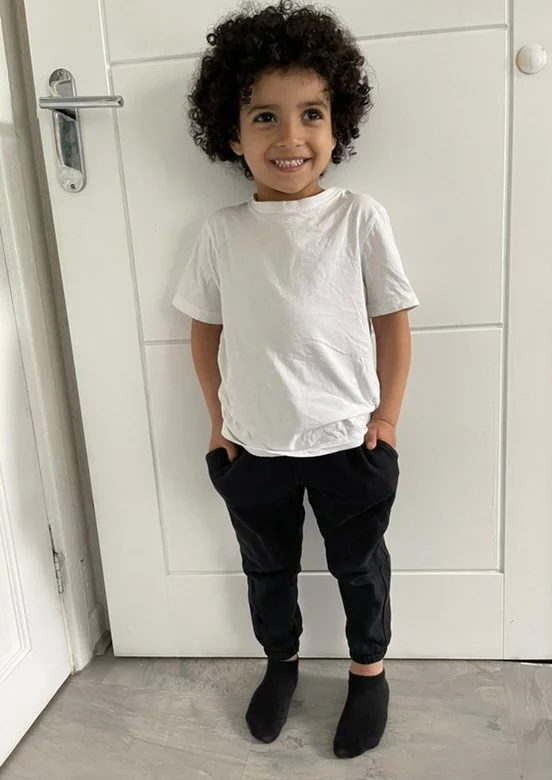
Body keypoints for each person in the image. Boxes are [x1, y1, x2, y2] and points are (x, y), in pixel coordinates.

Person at [173, 0, 419, 760]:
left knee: (359, 567)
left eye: (311, 113)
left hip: (350, 437)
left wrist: (388, 420)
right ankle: (280, 664)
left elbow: (392, 322)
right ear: (231, 132)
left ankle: (369, 671)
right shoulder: (219, 233)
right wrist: (218, 424)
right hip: (254, 446)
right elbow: (204, 330)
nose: (291, 137)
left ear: (336, 125)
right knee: (267, 566)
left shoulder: (357, 219)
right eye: (265, 117)